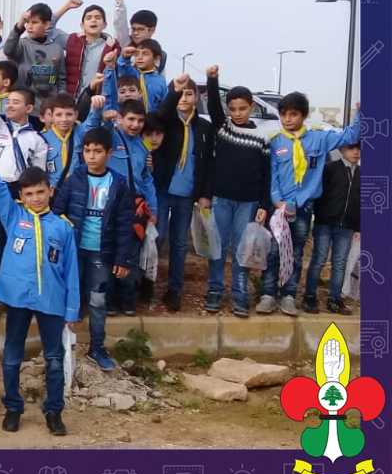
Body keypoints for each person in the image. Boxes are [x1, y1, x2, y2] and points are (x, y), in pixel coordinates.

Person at [0, 152, 79, 437]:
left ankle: (54, 411)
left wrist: (72, 309)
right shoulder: (14, 217)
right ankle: (13, 408)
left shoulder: (63, 228)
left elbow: (71, 271)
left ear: (50, 191)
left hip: (52, 300)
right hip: (18, 299)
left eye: (40, 192)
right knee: (11, 356)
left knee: (54, 358)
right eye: (29, 194)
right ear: (21, 196)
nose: (36, 198)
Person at [263, 95, 361, 316]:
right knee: (274, 252)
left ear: (304, 115)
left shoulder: (319, 138)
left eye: (293, 114)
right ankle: (268, 294)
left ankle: (289, 296)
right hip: (279, 209)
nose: (287, 119)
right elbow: (273, 175)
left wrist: (360, 115)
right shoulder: (276, 141)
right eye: (283, 114)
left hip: (303, 209)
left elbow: (351, 135)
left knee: (296, 253)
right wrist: (278, 201)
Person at [52, 127, 135, 371]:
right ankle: (58, 347)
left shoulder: (119, 184)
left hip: (101, 252)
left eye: (97, 151)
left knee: (98, 301)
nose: (91, 156)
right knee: (68, 297)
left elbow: (124, 224)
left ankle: (97, 348)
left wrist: (122, 258)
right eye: (87, 150)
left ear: (109, 153)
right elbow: (57, 213)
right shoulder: (74, 179)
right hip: (73, 251)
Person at [0, 79, 48, 320]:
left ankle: (20, 298)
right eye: (8, 101)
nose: (10, 105)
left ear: (29, 108)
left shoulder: (37, 140)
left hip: (22, 193)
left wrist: (32, 197)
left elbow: (39, 174)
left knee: (20, 246)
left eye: (16, 102)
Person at [203, 66, 271, 318]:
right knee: (217, 247)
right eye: (232, 109)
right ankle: (214, 290)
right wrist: (212, 79)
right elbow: (213, 106)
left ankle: (240, 295)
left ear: (251, 107)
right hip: (221, 199)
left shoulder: (262, 138)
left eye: (242, 108)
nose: (237, 113)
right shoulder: (223, 128)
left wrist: (264, 205)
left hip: (249, 203)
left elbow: (266, 175)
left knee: (243, 249)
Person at [152, 75, 214, 312]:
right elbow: (159, 116)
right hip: (162, 189)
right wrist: (174, 93)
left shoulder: (204, 128)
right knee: (157, 237)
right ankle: (146, 283)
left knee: (179, 243)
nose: (184, 98)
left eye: (189, 94)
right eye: (180, 94)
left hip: (186, 194)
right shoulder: (167, 122)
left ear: (197, 97)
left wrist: (205, 193)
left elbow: (208, 163)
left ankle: (174, 290)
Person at [96, 96, 156, 315]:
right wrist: (102, 115)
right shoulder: (111, 138)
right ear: (120, 118)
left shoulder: (142, 146)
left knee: (130, 253)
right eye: (130, 119)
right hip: (111, 204)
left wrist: (153, 209)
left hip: (136, 207)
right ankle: (110, 300)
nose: (135, 125)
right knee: (110, 252)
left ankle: (128, 299)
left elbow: (147, 179)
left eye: (140, 121)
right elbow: (97, 130)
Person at [309, 143, 360, 314]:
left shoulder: (362, 174)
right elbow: (318, 195)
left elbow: (361, 203)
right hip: (324, 224)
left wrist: (358, 227)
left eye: (359, 149)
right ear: (342, 149)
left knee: (340, 263)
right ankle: (310, 297)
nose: (356, 152)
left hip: (347, 227)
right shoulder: (329, 169)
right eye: (352, 148)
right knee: (319, 260)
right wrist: (319, 218)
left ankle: (335, 299)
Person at [4, 3, 67, 108]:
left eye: (34, 22)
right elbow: (8, 50)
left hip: (47, 107)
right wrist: (19, 27)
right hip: (24, 107)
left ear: (46, 24)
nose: (29, 26)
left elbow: (59, 79)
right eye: (27, 22)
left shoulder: (56, 49)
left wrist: (60, 100)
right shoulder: (21, 44)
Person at [110, 0, 167, 74]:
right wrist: (118, 0)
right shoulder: (125, 44)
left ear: (152, 30)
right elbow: (119, 24)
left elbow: (160, 80)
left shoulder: (160, 55)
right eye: (133, 29)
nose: (135, 33)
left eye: (140, 29)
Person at [41, 93, 83, 190]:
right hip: (54, 189)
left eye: (69, 114)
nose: (64, 119)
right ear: (52, 116)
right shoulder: (42, 138)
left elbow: (92, 123)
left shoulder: (80, 133)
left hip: (77, 187)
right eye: (58, 115)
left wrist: (96, 110)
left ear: (76, 114)